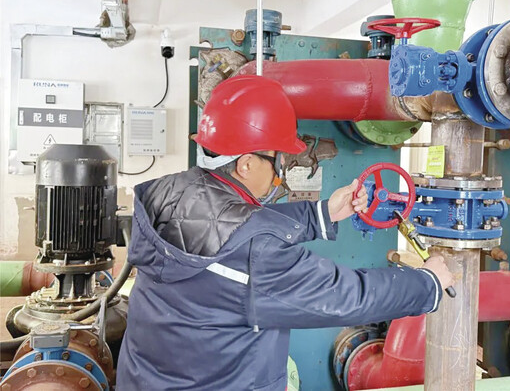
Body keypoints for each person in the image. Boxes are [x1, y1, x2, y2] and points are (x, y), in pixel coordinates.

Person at [116, 75, 454, 391]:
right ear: (246, 164)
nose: (281, 169)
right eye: (277, 158)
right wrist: (427, 284)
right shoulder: (256, 250)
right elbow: (346, 296)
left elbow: (228, 225)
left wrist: (323, 213)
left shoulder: (170, 193)